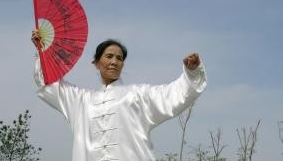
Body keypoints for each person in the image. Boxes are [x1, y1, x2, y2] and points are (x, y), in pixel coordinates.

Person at [31, 29, 207, 161]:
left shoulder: (137, 96)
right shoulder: (80, 101)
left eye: (119, 58)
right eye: (109, 56)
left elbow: (173, 95)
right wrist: (42, 50)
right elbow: (50, 84)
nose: (114, 61)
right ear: (96, 63)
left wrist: (191, 73)